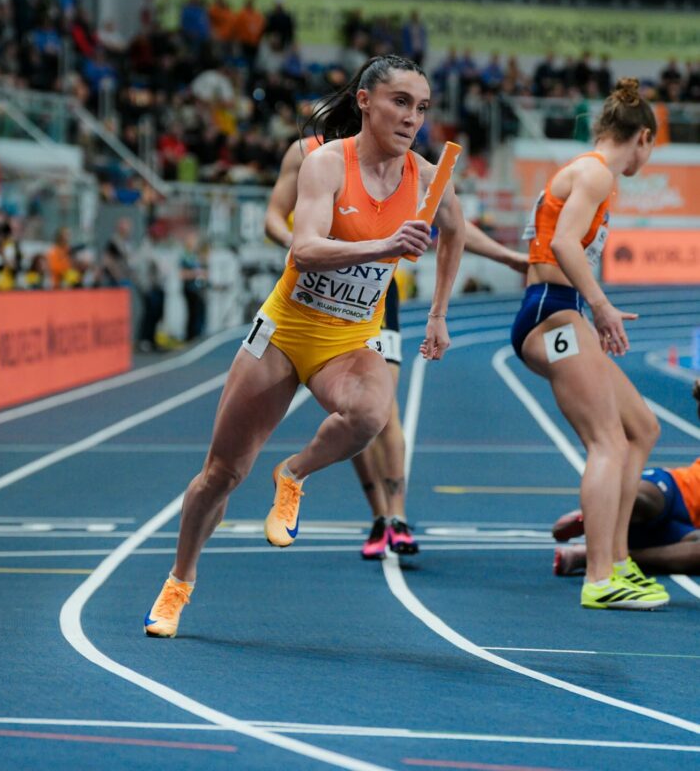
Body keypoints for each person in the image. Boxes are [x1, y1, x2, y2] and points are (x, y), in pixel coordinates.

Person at [144, 55, 465, 637]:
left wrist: (438, 313)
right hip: (286, 332)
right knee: (219, 474)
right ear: (365, 101)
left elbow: (458, 232)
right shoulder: (325, 163)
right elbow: (304, 250)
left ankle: (292, 475)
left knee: (372, 412)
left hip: (348, 338)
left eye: (422, 107)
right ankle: (178, 583)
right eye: (400, 102)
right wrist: (384, 245)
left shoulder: (427, 176)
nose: (412, 117)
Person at [264, 135, 527, 559]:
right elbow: (274, 218)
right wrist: (304, 247)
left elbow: (450, 223)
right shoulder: (306, 152)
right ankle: (378, 515)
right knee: (348, 414)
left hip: (375, 297)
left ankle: (398, 516)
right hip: (313, 292)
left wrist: (505, 257)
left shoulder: (401, 161)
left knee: (382, 410)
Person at [511, 78, 667, 611]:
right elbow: (559, 243)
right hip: (551, 315)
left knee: (642, 428)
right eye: (652, 148)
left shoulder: (588, 172)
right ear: (642, 137)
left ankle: (619, 560)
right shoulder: (597, 173)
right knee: (608, 441)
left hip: (558, 311)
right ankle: (600, 577)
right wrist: (599, 305)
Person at [553, 380, 700, 577]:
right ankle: (599, 512)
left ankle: (599, 557)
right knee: (646, 498)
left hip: (683, 532)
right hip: (678, 488)